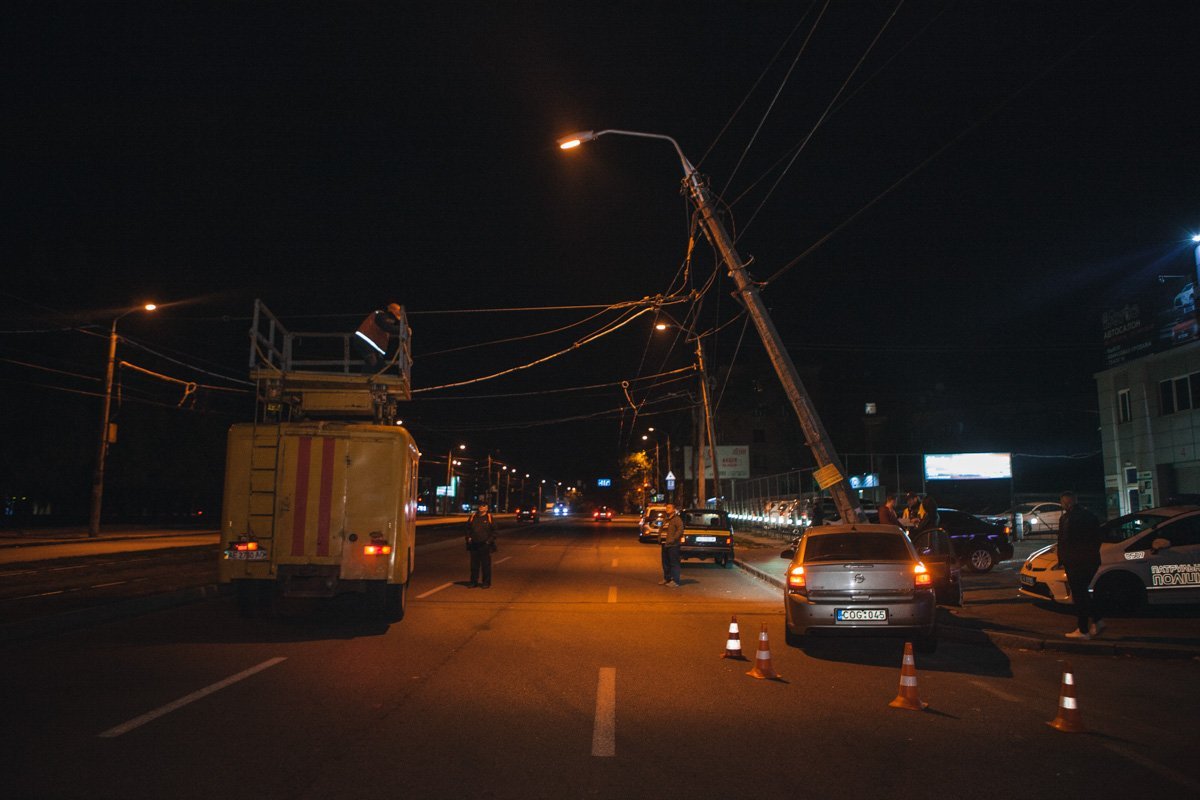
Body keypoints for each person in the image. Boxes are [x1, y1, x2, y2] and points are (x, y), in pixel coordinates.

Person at [1057, 491, 1104, 639]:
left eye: (1062, 503)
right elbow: (1098, 538)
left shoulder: (1067, 518)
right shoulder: (1090, 516)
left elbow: (1064, 541)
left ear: (1066, 503)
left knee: (1079, 594)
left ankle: (1083, 630)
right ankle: (1097, 620)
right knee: (1082, 592)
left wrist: (1062, 559)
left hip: (1074, 562)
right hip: (1091, 560)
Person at [353, 303, 405, 372]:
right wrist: (403, 329)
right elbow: (387, 327)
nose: (393, 320)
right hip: (363, 341)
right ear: (390, 313)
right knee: (373, 362)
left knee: (380, 364)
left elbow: (386, 330)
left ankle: (370, 377)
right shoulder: (380, 315)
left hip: (369, 344)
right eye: (394, 317)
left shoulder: (384, 321)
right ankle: (367, 377)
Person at [465, 503, 496, 588]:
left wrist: (489, 541)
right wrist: (468, 537)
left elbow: (494, 531)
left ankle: (486, 582)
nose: (481, 507)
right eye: (480, 506)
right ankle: (473, 582)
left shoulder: (489, 517)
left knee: (485, 565)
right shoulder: (473, 517)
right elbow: (467, 529)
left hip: (485, 545)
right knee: (474, 565)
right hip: (474, 544)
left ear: (487, 508)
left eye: (483, 506)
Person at [658, 503, 684, 587]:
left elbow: (680, 530)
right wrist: (659, 538)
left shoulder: (677, 519)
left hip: (673, 545)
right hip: (664, 544)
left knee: (674, 563)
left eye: (669, 508)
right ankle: (667, 578)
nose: (667, 509)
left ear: (674, 509)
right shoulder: (666, 519)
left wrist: (673, 539)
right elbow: (661, 529)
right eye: (666, 507)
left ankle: (675, 581)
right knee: (665, 563)